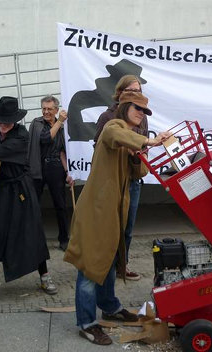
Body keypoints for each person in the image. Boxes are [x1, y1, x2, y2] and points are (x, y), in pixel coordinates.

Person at [64, 91, 171, 345]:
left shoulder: (130, 138)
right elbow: (112, 135)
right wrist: (149, 142)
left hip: (112, 212)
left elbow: (141, 171)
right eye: (137, 108)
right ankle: (87, 323)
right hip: (96, 212)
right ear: (124, 106)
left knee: (109, 260)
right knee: (90, 266)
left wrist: (137, 154)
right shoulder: (114, 125)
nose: (141, 114)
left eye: (145, 111)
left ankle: (110, 307)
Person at [0, 96, 57, 295]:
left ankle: (44, 275)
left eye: (8, 122)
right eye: (1, 122)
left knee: (32, 233)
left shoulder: (22, 135)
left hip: (20, 191)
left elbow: (3, 151)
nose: (4, 126)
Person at [94, 75, 147, 281]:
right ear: (120, 92)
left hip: (133, 180)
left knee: (128, 228)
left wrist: (139, 158)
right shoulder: (108, 118)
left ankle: (121, 266)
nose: (137, 95)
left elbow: (143, 149)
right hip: (113, 182)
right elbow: (100, 146)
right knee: (109, 228)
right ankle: (104, 265)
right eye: (132, 91)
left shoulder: (141, 115)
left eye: (139, 91)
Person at [28, 95, 74, 251]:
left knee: (60, 204)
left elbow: (61, 151)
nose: (46, 112)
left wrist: (68, 171)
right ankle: (34, 239)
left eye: (49, 109)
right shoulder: (37, 123)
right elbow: (45, 139)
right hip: (39, 167)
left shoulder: (61, 127)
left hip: (56, 168)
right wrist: (60, 121)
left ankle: (63, 238)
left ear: (56, 109)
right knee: (34, 205)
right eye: (44, 109)